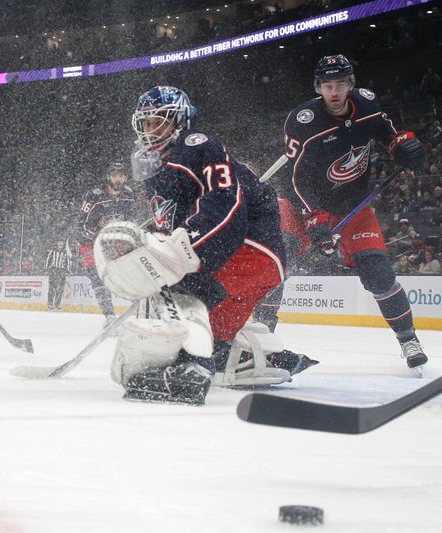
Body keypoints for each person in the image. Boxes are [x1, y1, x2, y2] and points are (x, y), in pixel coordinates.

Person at [94, 86, 315, 406]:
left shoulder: (197, 146)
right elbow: (177, 217)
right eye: (145, 124)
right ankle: (239, 356)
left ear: (180, 121)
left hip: (249, 248)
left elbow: (225, 207)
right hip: (255, 260)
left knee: (182, 290)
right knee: (211, 329)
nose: (150, 131)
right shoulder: (161, 169)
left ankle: (194, 369)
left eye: (159, 122)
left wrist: (188, 253)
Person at [253, 55, 429, 372]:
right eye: (327, 86)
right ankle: (261, 340)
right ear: (319, 87)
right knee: (278, 263)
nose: (334, 92)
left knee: (378, 273)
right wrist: (314, 216)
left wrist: (401, 145)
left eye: (340, 85)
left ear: (351, 84)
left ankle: (408, 340)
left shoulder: (367, 104)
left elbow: (387, 131)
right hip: (300, 203)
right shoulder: (303, 120)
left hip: (353, 203)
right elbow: (296, 178)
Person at [77, 161, 137, 329]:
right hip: (88, 241)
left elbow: (129, 219)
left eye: (121, 176)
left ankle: (142, 305)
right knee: (97, 276)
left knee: (131, 266)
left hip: (112, 241)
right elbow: (81, 225)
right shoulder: (94, 196)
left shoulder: (129, 195)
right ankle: (109, 316)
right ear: (108, 177)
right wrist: (99, 238)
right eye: (114, 175)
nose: (118, 179)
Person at [44, 238, 70, 310]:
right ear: (57, 243)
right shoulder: (53, 251)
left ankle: (57, 304)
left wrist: (67, 271)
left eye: (62, 242)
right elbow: (48, 260)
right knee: (52, 288)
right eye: (59, 242)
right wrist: (46, 269)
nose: (61, 244)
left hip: (62, 271)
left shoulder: (66, 252)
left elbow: (68, 262)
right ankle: (50, 304)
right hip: (53, 270)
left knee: (60, 289)